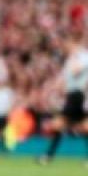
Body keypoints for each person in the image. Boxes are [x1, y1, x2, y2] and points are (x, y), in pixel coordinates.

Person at [37, 32, 88, 164]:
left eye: (66, 44)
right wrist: (53, 89)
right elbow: (64, 79)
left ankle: (48, 156)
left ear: (73, 43)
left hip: (80, 95)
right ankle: (48, 156)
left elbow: (76, 72)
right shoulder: (71, 58)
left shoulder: (83, 56)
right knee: (81, 127)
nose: (64, 47)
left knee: (59, 125)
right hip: (73, 95)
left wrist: (72, 62)